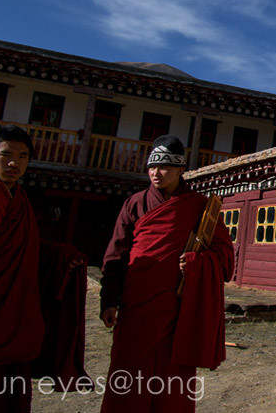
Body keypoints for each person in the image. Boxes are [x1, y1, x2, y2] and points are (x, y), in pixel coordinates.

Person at [0, 125, 85, 411]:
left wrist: (60, 257)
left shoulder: (17, 197)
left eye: (23, 157)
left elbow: (23, 249)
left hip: (10, 328)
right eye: (7, 155)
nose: (15, 163)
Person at [100, 135, 234, 412]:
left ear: (180, 170)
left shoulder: (200, 207)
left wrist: (198, 262)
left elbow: (225, 256)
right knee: (128, 373)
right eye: (152, 167)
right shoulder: (134, 204)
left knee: (172, 379)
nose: (156, 173)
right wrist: (109, 300)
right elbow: (116, 255)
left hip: (176, 308)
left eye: (164, 167)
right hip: (135, 305)